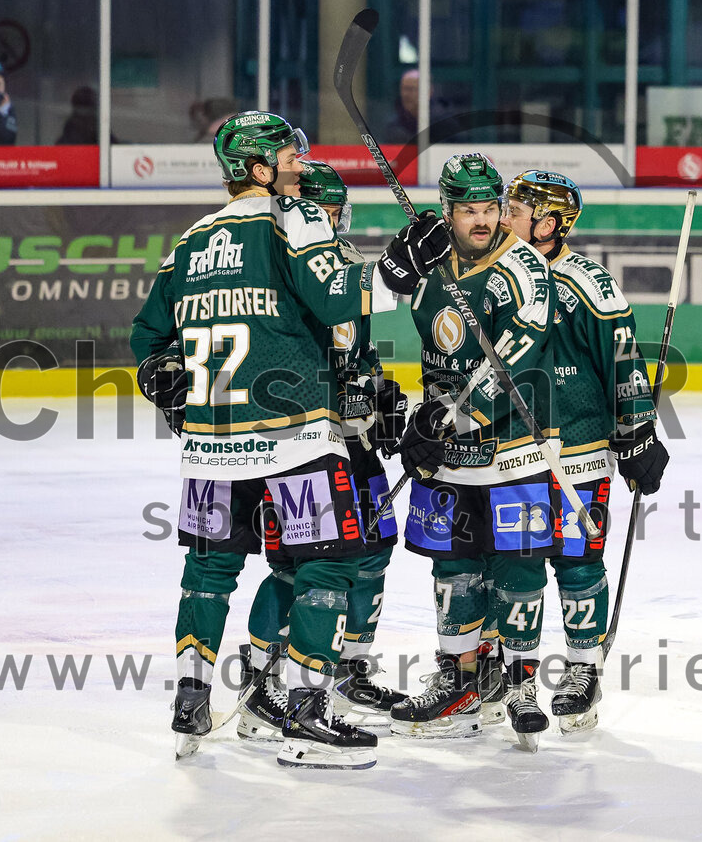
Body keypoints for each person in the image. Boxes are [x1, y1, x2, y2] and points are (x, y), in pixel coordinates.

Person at [130, 110, 448, 768]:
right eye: (288, 157)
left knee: (209, 567)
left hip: (210, 444)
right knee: (329, 560)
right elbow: (341, 299)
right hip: (294, 438)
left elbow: (145, 339)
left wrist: (163, 378)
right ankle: (305, 704)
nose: (300, 167)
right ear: (256, 168)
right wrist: (404, 263)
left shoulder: (190, 242)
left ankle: (192, 692)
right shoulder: (293, 218)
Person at [386, 152, 560, 751]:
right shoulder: (432, 263)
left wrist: (447, 416)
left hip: (513, 452)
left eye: (491, 209)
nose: (483, 221)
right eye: (470, 211)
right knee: (454, 570)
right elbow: (365, 305)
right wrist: (391, 266)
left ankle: (520, 682)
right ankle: (461, 679)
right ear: (448, 210)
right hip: (448, 454)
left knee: (519, 570)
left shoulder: (527, 269)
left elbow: (516, 361)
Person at [235, 160, 409, 741]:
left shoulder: (346, 273)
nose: (330, 222)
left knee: (375, 547)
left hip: (352, 444)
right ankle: (262, 683)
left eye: (336, 212)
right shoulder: (276, 274)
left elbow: (357, 353)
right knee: (293, 565)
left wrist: (380, 395)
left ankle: (348, 670)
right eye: (321, 210)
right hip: (297, 446)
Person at [500, 170, 669, 734]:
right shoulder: (497, 273)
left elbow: (624, 360)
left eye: (518, 209)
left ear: (549, 223)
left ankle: (583, 669)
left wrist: (638, 434)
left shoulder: (589, 284)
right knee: (518, 565)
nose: (505, 215)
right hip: (512, 453)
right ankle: (518, 678)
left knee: (577, 562)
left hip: (581, 450)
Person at [383, 68, 419, 143]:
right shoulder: (393, 126)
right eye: (403, 89)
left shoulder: (439, 121)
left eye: (410, 89)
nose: (405, 94)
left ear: (428, 91)